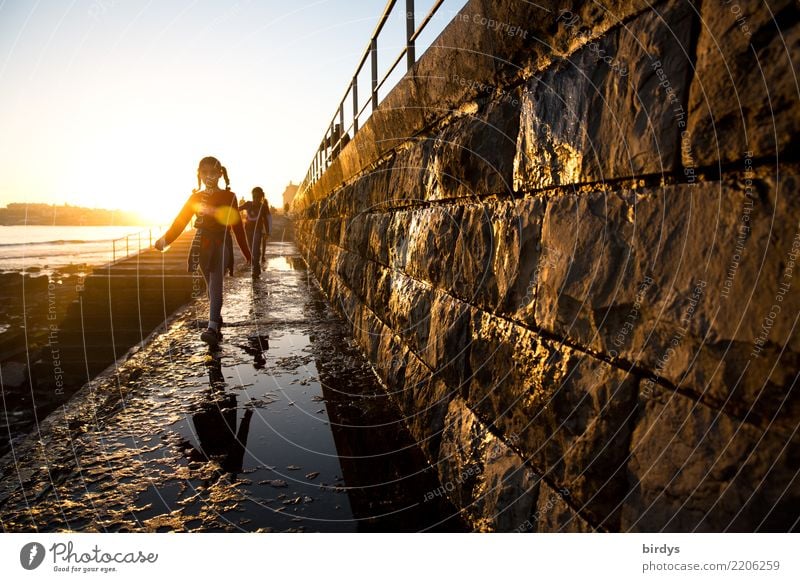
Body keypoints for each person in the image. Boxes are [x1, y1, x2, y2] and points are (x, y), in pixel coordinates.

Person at [155, 156, 251, 346]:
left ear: (220, 174)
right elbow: (181, 221)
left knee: (216, 284)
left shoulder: (229, 196)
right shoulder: (195, 197)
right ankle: (216, 318)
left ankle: (212, 327)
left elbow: (237, 227)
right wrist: (166, 239)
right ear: (199, 174)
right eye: (205, 172)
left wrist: (248, 254)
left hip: (221, 244)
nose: (209, 176)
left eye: (213, 172)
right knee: (210, 286)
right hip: (200, 246)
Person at [239, 186, 270, 276]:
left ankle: (256, 267)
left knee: (255, 248)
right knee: (251, 249)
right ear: (252, 196)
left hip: (257, 230)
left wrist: (267, 232)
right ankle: (256, 263)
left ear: (261, 197)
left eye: (258, 197)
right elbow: (237, 209)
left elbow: (266, 220)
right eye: (254, 197)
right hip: (248, 230)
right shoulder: (248, 204)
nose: (256, 199)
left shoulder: (263, 207)